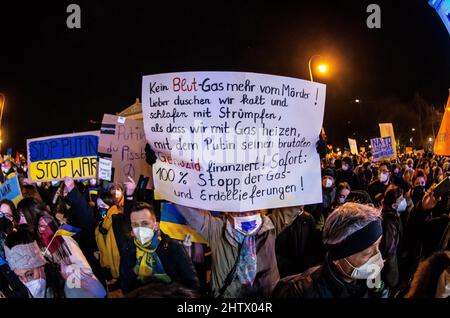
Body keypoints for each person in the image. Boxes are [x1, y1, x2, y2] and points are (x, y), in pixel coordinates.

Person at [273, 202, 384, 298]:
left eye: (378, 245)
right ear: (339, 256)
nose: (377, 255)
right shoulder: (299, 292)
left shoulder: (367, 282)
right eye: (367, 252)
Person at [119, 201, 200, 294]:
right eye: (135, 225)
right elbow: (126, 284)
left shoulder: (173, 247)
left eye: (145, 223)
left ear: (156, 225)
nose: (140, 229)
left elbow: (192, 284)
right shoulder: (129, 249)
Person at [4, 229, 106, 298]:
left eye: (30, 274)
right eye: (20, 277)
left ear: (41, 265)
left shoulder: (71, 289)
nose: (26, 282)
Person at [379, 185, 405, 294]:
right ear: (394, 205)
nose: (403, 201)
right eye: (401, 199)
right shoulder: (389, 222)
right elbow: (390, 251)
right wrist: (392, 278)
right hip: (387, 273)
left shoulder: (392, 216)